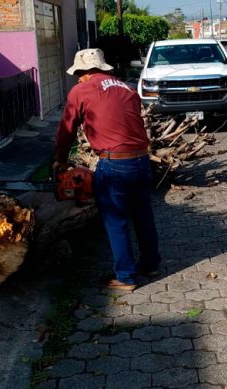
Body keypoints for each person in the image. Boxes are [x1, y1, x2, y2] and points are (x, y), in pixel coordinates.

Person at [54, 49, 161, 291]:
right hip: (142, 161)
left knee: (116, 220)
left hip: (115, 165)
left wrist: (60, 160)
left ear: (84, 72)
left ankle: (125, 277)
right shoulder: (127, 88)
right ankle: (151, 264)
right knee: (143, 216)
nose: (77, 79)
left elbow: (66, 130)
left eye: (78, 74)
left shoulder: (82, 90)